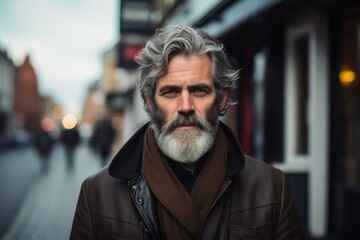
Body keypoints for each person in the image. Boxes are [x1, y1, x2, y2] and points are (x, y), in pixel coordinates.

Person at [70, 25, 304, 240]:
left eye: (199, 91)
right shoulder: (97, 195)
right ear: (149, 102)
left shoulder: (272, 189)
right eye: (170, 92)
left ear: (221, 99)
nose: (185, 106)